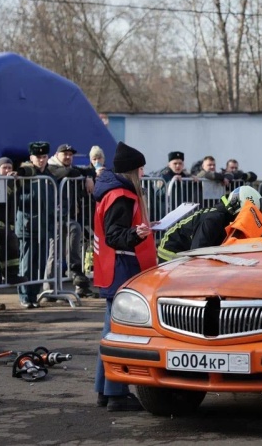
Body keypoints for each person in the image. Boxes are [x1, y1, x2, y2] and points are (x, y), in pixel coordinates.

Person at [92, 141, 156, 412]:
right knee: (119, 332)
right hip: (122, 268)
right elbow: (115, 235)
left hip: (114, 267)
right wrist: (136, 234)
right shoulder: (121, 195)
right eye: (140, 169)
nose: (142, 174)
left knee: (110, 330)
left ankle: (105, 390)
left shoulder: (113, 192)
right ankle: (116, 393)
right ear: (131, 171)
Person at [43, 143, 97, 299]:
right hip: (54, 218)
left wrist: (87, 175)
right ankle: (49, 288)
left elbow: (89, 169)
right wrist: (86, 174)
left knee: (72, 244)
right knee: (55, 253)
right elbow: (66, 172)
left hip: (68, 217)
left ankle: (77, 281)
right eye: (64, 154)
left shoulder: (71, 169)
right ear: (56, 155)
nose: (68, 157)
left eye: (70, 154)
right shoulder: (51, 167)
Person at [157, 186, 262, 262]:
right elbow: (198, 252)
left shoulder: (226, 218)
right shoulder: (213, 220)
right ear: (237, 208)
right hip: (173, 250)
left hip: (187, 249)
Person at [15, 142, 57, 308]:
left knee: (39, 265)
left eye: (44, 157)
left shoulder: (49, 175)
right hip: (27, 226)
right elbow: (19, 199)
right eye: (38, 157)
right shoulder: (25, 173)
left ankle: (33, 295)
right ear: (31, 157)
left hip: (43, 226)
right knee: (26, 264)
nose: (41, 160)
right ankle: (25, 296)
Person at [0, 158, 23, 311]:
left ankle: (12, 275)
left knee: (12, 244)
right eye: (4, 168)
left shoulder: (11, 182)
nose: (7, 171)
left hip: (4, 227)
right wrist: (8, 183)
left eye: (10, 168)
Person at [153, 151, 198, 218]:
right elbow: (158, 194)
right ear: (169, 164)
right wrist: (171, 182)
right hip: (167, 212)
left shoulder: (186, 175)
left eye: (180, 163)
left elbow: (190, 194)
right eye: (175, 163)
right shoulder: (163, 176)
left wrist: (193, 182)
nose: (178, 166)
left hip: (182, 212)